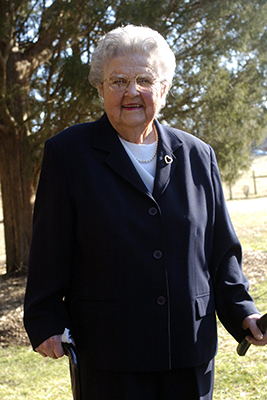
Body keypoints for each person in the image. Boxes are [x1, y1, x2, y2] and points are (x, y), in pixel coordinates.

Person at [24, 25, 267, 400]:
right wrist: (44, 319)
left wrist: (243, 312)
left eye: (144, 79)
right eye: (118, 80)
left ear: (164, 88)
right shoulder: (68, 154)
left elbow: (221, 253)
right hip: (110, 356)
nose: (131, 91)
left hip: (189, 351)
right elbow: (48, 250)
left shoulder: (199, 155)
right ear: (100, 88)